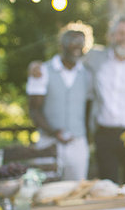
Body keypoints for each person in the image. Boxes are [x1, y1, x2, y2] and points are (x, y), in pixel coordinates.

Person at [30, 16, 125, 184]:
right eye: (120, 33)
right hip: (104, 132)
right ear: (111, 36)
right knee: (106, 185)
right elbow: (68, 58)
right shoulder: (95, 58)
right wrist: (34, 65)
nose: (124, 38)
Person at [27, 28, 93, 181]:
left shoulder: (87, 74)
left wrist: (86, 136)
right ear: (61, 45)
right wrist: (53, 131)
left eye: (80, 43)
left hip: (78, 144)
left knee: (76, 190)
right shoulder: (42, 71)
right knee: (46, 189)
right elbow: (34, 110)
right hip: (48, 143)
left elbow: (88, 109)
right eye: (72, 42)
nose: (77, 47)